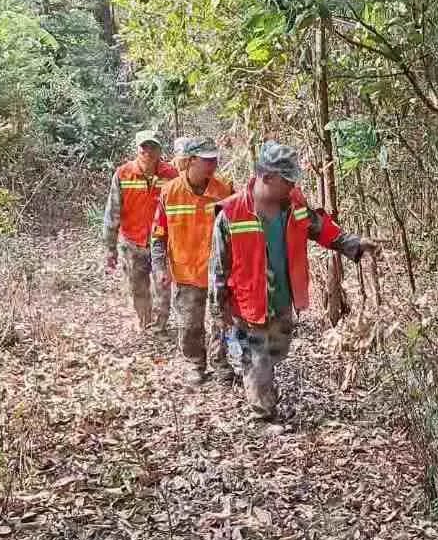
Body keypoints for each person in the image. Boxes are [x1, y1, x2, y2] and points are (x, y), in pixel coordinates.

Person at [209, 142, 377, 418]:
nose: (292, 185)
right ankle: (263, 414)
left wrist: (354, 244)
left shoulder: (294, 204)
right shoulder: (231, 213)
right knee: (257, 361)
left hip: (283, 298)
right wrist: (219, 309)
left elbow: (320, 228)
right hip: (248, 303)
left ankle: (263, 389)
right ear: (267, 177)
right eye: (286, 180)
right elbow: (218, 266)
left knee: (276, 353)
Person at [151, 137, 234, 385]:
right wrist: (159, 267)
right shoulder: (170, 192)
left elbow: (237, 231)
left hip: (219, 272)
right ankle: (195, 364)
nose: (213, 165)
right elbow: (158, 234)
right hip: (186, 272)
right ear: (191, 161)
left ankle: (221, 362)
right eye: (207, 160)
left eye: (215, 159)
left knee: (222, 321)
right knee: (189, 324)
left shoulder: (224, 190)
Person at [103, 130, 177, 331]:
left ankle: (159, 326)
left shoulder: (171, 175)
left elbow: (178, 211)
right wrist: (110, 248)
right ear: (137, 149)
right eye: (144, 147)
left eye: (153, 147)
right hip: (132, 243)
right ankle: (144, 322)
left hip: (162, 244)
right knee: (137, 288)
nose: (148, 152)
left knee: (163, 288)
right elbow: (113, 212)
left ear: (160, 149)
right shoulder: (123, 174)